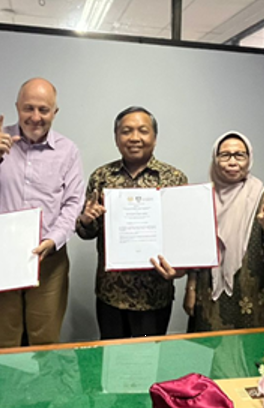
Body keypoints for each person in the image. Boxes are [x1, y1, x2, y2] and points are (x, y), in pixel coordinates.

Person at [0, 77, 84, 348]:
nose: (35, 117)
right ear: (17, 107)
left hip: (49, 259)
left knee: (45, 341)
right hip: (1, 258)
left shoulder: (68, 151)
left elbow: (73, 203)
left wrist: (53, 240)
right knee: (1, 341)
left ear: (55, 112)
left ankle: (43, 382)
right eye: (28, 108)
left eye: (44, 110)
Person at [76, 106, 188, 340]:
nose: (134, 138)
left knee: (149, 359)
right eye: (126, 131)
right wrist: (86, 220)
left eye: (142, 131)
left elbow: (182, 233)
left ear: (154, 138)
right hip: (111, 293)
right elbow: (88, 232)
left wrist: (181, 269)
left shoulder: (174, 178)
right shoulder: (101, 177)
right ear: (116, 138)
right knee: (112, 358)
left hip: (154, 295)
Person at [184, 132, 264, 332]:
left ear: (249, 159)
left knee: (252, 347)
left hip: (253, 291)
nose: (232, 162)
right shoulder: (203, 198)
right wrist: (191, 288)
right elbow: (194, 249)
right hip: (209, 292)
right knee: (209, 346)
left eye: (240, 155)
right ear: (215, 159)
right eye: (225, 155)